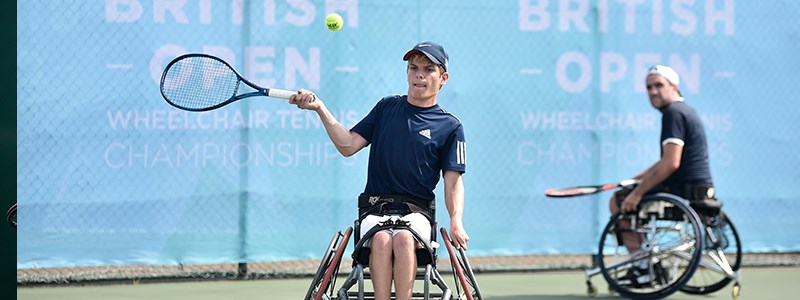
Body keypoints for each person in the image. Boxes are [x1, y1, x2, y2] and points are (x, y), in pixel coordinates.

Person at [288, 41, 469, 300]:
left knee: (404, 240)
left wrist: (456, 221)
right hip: (375, 207)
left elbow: (453, 183)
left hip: (417, 211)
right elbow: (348, 145)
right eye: (413, 67)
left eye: (429, 69)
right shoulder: (386, 108)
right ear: (407, 72)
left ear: (443, 78)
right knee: (383, 240)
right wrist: (319, 108)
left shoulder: (450, 126)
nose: (419, 74)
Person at [609, 65, 716, 287]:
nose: (653, 91)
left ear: (674, 87)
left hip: (681, 192)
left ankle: (642, 268)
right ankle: (646, 266)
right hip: (699, 190)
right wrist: (636, 180)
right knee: (626, 193)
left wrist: (636, 193)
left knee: (618, 201)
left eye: (659, 85)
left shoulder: (673, 113)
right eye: (649, 87)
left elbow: (670, 164)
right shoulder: (685, 111)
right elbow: (665, 162)